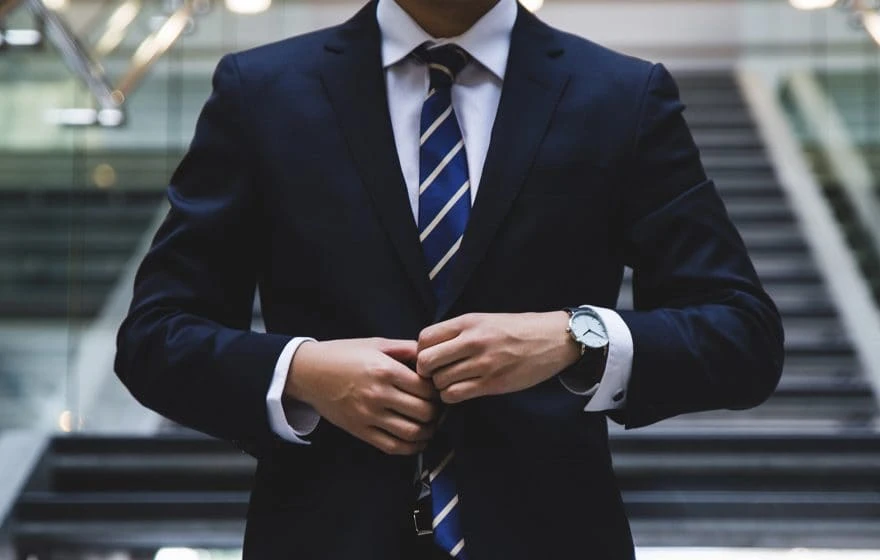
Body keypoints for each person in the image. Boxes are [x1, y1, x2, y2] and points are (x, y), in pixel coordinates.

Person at [115, 0, 785, 558]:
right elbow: (154, 337)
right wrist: (301, 371)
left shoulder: (621, 96)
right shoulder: (261, 92)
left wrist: (578, 337)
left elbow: (742, 335)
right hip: (322, 536)